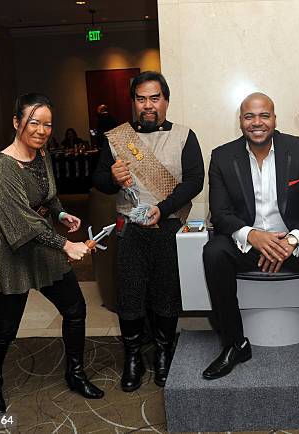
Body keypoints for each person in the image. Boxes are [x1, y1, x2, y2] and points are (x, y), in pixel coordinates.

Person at [202, 92, 299, 386]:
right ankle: (235, 344)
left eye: (264, 115)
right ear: (240, 121)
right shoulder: (222, 156)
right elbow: (221, 213)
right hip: (249, 244)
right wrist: (253, 236)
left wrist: (291, 241)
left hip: (293, 243)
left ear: (274, 119)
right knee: (214, 252)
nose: (257, 123)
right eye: (249, 116)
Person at [0, 93, 104, 414]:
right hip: (11, 254)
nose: (42, 130)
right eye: (34, 122)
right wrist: (66, 244)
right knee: (5, 329)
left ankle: (75, 373)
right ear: (16, 122)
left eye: (48, 124)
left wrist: (61, 214)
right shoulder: (1, 170)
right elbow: (22, 225)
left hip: (42, 247)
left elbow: (48, 196)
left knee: (75, 309)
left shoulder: (42, 154)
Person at [92, 71, 204, 390]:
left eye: (155, 98)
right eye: (141, 99)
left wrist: (163, 209)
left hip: (168, 226)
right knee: (129, 295)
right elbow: (98, 180)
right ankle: (133, 358)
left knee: (166, 294)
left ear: (166, 101)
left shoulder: (184, 136)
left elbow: (194, 180)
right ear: (134, 103)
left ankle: (164, 353)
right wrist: (112, 178)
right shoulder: (117, 137)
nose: (148, 105)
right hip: (130, 228)